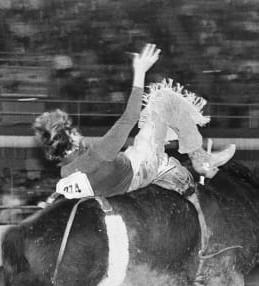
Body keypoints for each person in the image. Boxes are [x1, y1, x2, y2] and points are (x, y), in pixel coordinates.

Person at [33, 43, 235, 199]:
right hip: (142, 167)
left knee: (154, 122)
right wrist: (140, 72)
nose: (77, 132)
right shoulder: (98, 153)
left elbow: (84, 160)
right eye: (72, 130)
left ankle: (178, 146)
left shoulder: (65, 171)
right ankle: (202, 161)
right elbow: (129, 117)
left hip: (125, 175)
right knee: (163, 98)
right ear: (69, 138)